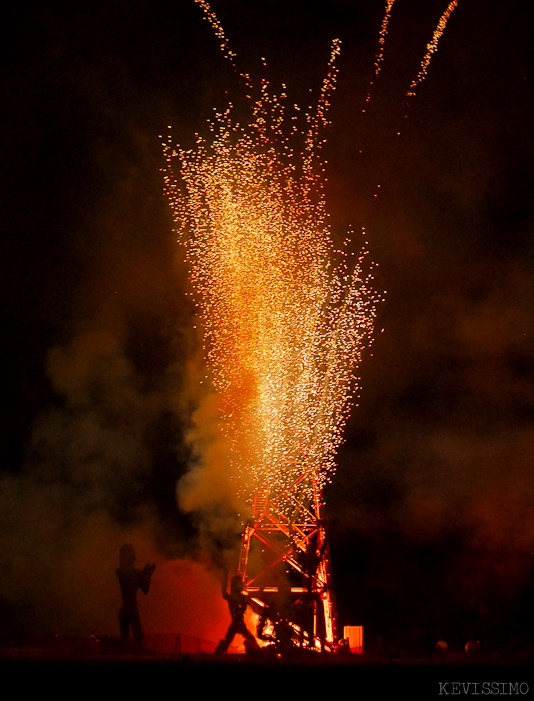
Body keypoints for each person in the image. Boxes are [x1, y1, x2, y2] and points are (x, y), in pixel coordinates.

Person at [116, 543, 155, 647]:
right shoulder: (126, 573)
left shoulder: (128, 573)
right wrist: (146, 574)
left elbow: (145, 589)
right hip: (131, 609)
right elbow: (144, 588)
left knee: (128, 638)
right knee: (132, 639)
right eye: (131, 556)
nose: (134, 559)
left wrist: (148, 575)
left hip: (128, 608)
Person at [215, 572, 259, 654]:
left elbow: (224, 593)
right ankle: (257, 651)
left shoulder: (235, 598)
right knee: (249, 638)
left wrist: (225, 577)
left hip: (236, 623)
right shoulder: (241, 598)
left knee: (228, 639)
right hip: (238, 623)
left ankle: (220, 652)